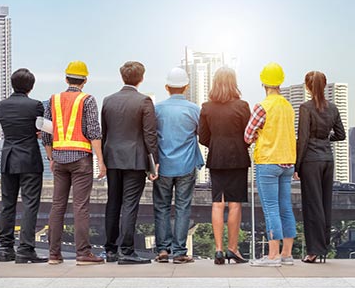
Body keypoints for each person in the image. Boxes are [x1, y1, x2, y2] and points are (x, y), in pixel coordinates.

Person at [42, 61, 106, 266]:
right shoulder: (87, 100)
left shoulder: (54, 100)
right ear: (85, 80)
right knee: (80, 207)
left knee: (57, 206)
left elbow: (46, 133)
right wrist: (101, 161)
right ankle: (83, 254)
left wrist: (51, 157)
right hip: (81, 160)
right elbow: (94, 132)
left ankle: (53, 254)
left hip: (59, 159)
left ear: (66, 78)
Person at [102, 61, 158, 265]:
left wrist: (102, 160)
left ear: (122, 77)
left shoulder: (108, 101)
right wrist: (154, 163)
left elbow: (105, 133)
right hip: (135, 160)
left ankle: (110, 250)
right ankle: (126, 250)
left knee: (113, 203)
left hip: (112, 157)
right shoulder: (144, 101)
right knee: (129, 205)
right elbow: (150, 135)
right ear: (141, 78)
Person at [244, 62, 297, 267]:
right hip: (288, 162)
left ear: (263, 82)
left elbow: (248, 135)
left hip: (268, 161)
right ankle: (287, 254)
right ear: (281, 82)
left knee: (271, 208)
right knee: (286, 207)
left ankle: (273, 255)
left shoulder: (262, 106)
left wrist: (258, 134)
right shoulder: (288, 106)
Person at [198, 67, 251, 265]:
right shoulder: (242, 106)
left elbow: (203, 137)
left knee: (217, 203)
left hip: (216, 158)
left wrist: (216, 144)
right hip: (238, 157)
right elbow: (248, 135)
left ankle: (218, 250)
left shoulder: (206, 107)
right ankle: (233, 249)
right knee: (235, 203)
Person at [0, 68, 48, 263]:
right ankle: (26, 248)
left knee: (7, 205)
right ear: (31, 86)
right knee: (29, 204)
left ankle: (5, 248)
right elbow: (42, 129)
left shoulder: (1, 106)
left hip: (8, 158)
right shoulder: (35, 106)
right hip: (29, 159)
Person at [153, 67, 204, 264]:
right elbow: (202, 134)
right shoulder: (194, 109)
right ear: (186, 87)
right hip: (186, 165)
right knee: (183, 207)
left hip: (162, 166)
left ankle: (163, 250)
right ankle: (180, 251)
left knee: (161, 207)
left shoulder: (157, 109)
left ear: (167, 87)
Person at [295, 71, 346, 263]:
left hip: (311, 161)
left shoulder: (305, 107)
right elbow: (341, 135)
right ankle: (323, 248)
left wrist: (297, 166)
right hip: (328, 160)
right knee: (325, 205)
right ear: (324, 86)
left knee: (312, 206)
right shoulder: (333, 108)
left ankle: (314, 251)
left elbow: (303, 138)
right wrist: (325, 139)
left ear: (308, 87)